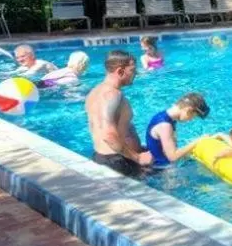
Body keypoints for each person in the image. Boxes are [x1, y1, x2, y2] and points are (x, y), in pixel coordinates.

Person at [85, 50, 152, 178]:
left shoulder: (93, 93)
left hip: (103, 157)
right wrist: (137, 158)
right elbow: (109, 136)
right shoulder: (113, 95)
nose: (135, 73)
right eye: (132, 70)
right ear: (120, 71)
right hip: (118, 162)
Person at [145, 92, 210, 168]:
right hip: (163, 169)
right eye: (193, 116)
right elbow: (173, 157)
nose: (190, 120)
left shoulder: (166, 117)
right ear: (188, 110)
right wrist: (197, 141)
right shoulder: (165, 126)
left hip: (163, 163)